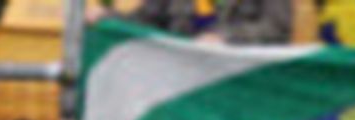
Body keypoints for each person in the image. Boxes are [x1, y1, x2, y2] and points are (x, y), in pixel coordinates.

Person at [93, 0, 293, 45]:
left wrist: (225, 38)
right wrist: (106, 18)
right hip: (183, 90)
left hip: (240, 87)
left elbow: (277, 29)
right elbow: (145, 21)